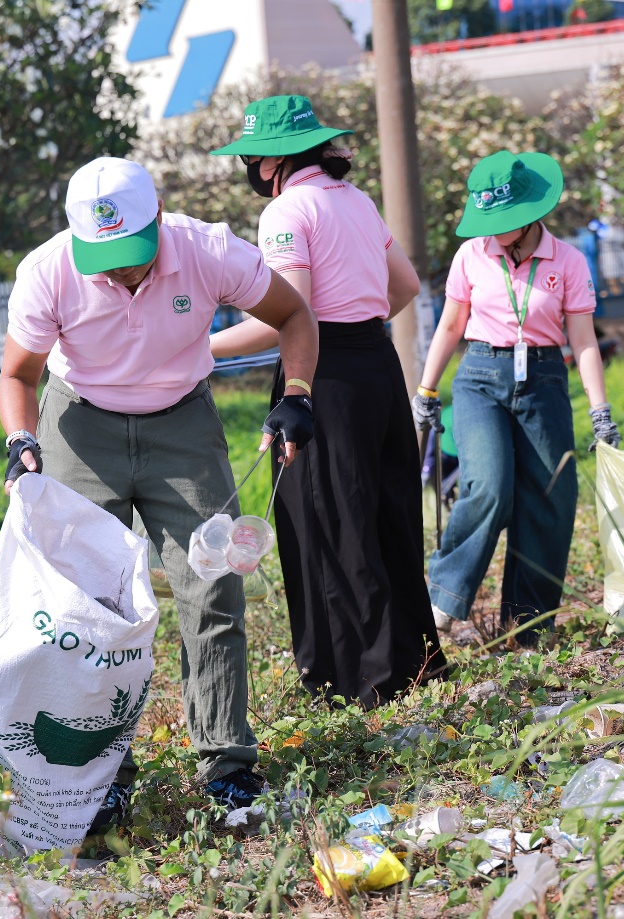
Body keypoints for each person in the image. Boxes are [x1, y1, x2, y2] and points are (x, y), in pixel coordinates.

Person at [0, 156, 319, 828]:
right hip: (80, 426)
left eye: (129, 253)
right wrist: (19, 441)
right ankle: (101, 780)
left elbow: (293, 313)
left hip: (182, 425)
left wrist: (296, 395)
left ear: (158, 217)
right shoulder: (49, 270)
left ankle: (228, 769)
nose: (116, 270)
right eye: (103, 256)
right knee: (86, 609)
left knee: (212, 588)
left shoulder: (208, 252)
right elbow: (17, 376)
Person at [207, 94, 446, 706]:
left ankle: (355, 681)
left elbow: (288, 319)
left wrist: (202, 350)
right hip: (377, 364)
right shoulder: (357, 201)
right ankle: (415, 664)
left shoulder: (287, 211)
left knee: (328, 525)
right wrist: (359, 323)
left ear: (268, 163)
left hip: (323, 376)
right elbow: (407, 285)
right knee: (388, 514)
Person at [411, 150, 621, 643]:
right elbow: (450, 324)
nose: (493, 229)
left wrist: (600, 412)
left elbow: (585, 340)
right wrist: (426, 389)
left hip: (545, 379)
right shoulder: (471, 255)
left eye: (503, 219)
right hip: (480, 375)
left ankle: (525, 628)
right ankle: (441, 600)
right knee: (489, 485)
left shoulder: (568, 260)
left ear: (530, 215)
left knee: (551, 498)